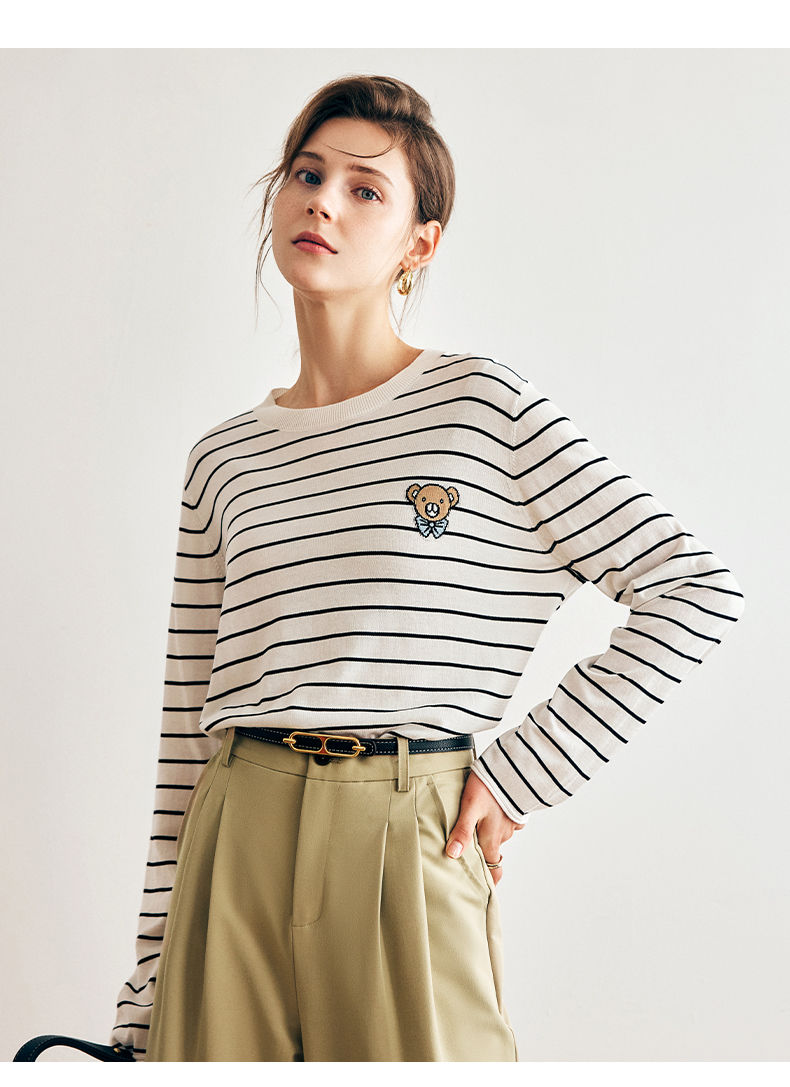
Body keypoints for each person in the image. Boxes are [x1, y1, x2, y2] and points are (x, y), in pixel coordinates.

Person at [109, 74, 745, 1062]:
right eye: (307, 174)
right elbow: (185, 731)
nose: (323, 201)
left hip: (409, 830)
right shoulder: (223, 458)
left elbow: (693, 589)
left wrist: (521, 774)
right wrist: (147, 988)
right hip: (232, 838)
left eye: (365, 189)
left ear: (420, 242)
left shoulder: (480, 408)